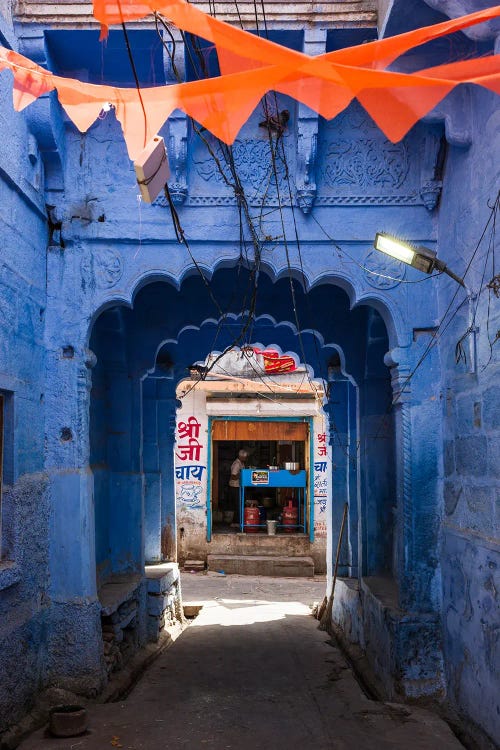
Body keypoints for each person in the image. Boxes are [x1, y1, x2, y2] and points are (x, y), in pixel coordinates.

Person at [228, 449, 248, 525]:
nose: (246, 459)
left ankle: (237, 521)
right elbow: (233, 476)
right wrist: (242, 474)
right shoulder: (237, 464)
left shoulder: (241, 463)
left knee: (239, 504)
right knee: (238, 505)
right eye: (245, 457)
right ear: (241, 456)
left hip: (239, 486)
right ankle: (235, 522)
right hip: (235, 487)